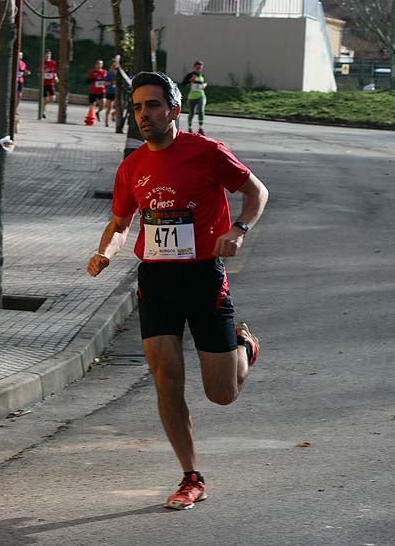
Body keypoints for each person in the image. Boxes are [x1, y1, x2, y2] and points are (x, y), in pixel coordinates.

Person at [86, 71, 268, 511]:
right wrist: (105, 252)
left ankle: (243, 346)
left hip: (203, 277)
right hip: (157, 281)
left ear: (174, 110)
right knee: (167, 381)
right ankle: (191, 476)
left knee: (221, 394)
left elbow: (256, 191)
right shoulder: (131, 167)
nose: (143, 114)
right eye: (136, 107)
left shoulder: (206, 152)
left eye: (152, 105)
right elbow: (121, 223)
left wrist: (239, 230)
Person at [179, 61, 207, 134]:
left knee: (201, 110)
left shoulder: (202, 75)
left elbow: (204, 83)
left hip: (201, 95)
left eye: (200, 68)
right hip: (192, 97)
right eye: (197, 68)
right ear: (194, 68)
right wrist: (190, 80)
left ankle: (200, 128)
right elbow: (183, 84)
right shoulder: (190, 75)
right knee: (192, 113)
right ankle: (190, 127)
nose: (199, 70)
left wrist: (204, 85)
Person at [41, 50, 57, 119]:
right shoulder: (42, 63)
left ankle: (42, 105)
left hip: (51, 83)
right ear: (44, 55)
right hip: (43, 83)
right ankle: (43, 112)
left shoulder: (53, 63)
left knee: (53, 98)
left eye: (49, 55)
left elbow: (54, 72)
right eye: (46, 55)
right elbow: (39, 72)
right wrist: (43, 72)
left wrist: (56, 77)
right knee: (44, 98)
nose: (48, 56)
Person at [103, 60, 118, 127]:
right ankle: (106, 121)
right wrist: (112, 83)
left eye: (115, 66)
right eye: (113, 66)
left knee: (118, 106)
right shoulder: (109, 74)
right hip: (110, 92)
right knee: (109, 107)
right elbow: (105, 83)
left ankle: (113, 114)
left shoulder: (120, 74)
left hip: (117, 93)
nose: (114, 67)